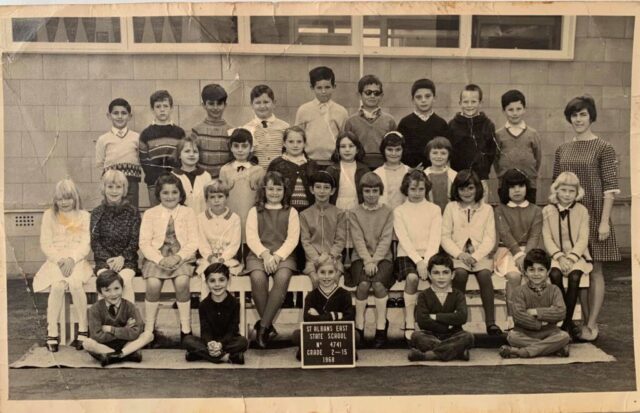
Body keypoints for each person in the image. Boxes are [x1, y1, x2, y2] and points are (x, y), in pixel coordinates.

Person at [553, 95, 621, 342]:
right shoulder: (562, 149)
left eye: (583, 114)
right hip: (570, 219)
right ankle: (580, 321)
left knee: (595, 271)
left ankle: (592, 323)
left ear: (591, 117)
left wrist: (604, 221)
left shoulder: (604, 147)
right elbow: (556, 187)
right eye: (574, 115)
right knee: (578, 270)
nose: (578, 119)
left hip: (595, 215)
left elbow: (610, 188)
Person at [34, 179, 93, 352]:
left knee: (75, 284)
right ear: (55, 200)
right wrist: (60, 260)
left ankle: (83, 330)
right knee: (58, 285)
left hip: (77, 261)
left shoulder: (84, 216)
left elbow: (85, 244)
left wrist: (72, 259)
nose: (64, 202)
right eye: (60, 199)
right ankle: (52, 331)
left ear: (75, 198)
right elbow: (46, 243)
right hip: (55, 262)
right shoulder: (49, 215)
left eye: (68, 198)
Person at [441, 169, 501, 335]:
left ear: (477, 188)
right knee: (460, 274)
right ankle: (457, 322)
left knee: (485, 275)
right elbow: (445, 236)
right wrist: (460, 254)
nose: (466, 193)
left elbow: (489, 238)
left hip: (480, 256)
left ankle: (491, 323)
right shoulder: (451, 208)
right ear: (456, 190)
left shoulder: (487, 209)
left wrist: (475, 256)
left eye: (470, 188)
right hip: (458, 256)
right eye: (462, 189)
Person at [139, 174, 198, 341]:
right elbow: (144, 243)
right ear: (158, 194)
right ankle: (149, 330)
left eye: (174, 192)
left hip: (182, 257)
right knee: (153, 284)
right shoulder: (150, 214)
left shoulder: (188, 212)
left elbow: (193, 242)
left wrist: (178, 257)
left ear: (181, 194)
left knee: (182, 282)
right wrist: (160, 259)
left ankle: (185, 330)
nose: (170, 196)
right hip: (157, 257)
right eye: (165, 192)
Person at [245, 171, 300, 349]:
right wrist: (265, 255)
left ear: (285, 191)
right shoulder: (255, 211)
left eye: (278, 189)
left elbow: (292, 239)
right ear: (264, 190)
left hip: (284, 255)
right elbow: (251, 237)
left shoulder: (291, 212)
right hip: (259, 254)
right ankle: (268, 326)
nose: (274, 193)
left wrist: (277, 256)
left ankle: (263, 327)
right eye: (270, 189)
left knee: (282, 278)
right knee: (257, 278)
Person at [542, 172, 592, 340]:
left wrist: (571, 258)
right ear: (556, 190)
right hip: (556, 256)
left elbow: (583, 238)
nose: (567, 194)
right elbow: (547, 237)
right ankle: (565, 321)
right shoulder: (548, 210)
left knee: (575, 276)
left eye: (571, 191)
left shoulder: (582, 211)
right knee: (555, 274)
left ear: (577, 192)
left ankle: (566, 324)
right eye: (563, 190)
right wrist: (560, 257)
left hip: (576, 256)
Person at [394, 170, 442, 340]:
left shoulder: (434, 209)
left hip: (430, 254)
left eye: (421, 189)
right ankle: (409, 320)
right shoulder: (399, 211)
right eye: (413, 189)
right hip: (407, 254)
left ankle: (437, 323)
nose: (417, 193)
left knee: (439, 278)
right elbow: (404, 239)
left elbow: (435, 237)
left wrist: (426, 260)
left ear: (426, 189)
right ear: (406, 189)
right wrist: (419, 262)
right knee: (412, 278)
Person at [348, 172, 394, 348]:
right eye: (367, 191)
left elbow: (386, 239)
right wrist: (367, 261)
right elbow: (358, 239)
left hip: (383, 258)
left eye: (375, 190)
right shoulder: (354, 212)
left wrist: (375, 261)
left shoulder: (388, 211)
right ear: (362, 192)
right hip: (360, 258)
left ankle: (381, 327)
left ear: (380, 191)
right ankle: (359, 326)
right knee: (363, 285)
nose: (371, 194)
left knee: (379, 284)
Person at [499, 249, 571, 359]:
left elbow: (561, 312)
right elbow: (519, 316)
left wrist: (536, 312)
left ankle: (521, 352)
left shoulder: (554, 290)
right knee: (512, 337)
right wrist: (542, 323)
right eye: (532, 270)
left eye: (541, 270)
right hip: (525, 333)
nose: (536, 274)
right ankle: (554, 348)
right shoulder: (519, 291)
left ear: (548, 272)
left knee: (564, 336)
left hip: (550, 332)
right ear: (525, 272)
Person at [494, 169, 543, 327]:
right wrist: (519, 255)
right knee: (514, 276)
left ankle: (536, 318)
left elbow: (535, 236)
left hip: (530, 251)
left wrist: (526, 256)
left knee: (536, 275)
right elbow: (505, 234)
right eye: (512, 187)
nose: (517, 190)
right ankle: (513, 319)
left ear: (527, 188)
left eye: (521, 186)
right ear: (505, 190)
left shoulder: (536, 210)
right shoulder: (500, 210)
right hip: (507, 251)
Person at [408, 254, 474, 362]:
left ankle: (429, 355)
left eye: (445, 272)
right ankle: (457, 352)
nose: (441, 277)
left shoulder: (458, 295)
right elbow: (422, 321)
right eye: (436, 273)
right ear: (429, 275)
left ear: (452, 275)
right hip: (431, 335)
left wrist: (435, 316)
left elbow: (462, 317)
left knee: (468, 336)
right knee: (416, 336)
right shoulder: (423, 295)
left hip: (454, 334)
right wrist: (448, 325)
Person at [291, 255, 356, 360]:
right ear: (316, 273)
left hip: (337, 334)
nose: (326, 276)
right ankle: (320, 349)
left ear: (336, 273)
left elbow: (349, 318)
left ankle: (325, 349)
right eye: (322, 272)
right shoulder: (311, 296)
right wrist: (335, 315)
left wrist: (319, 316)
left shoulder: (345, 294)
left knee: (355, 335)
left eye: (330, 272)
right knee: (296, 335)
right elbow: (307, 319)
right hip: (317, 335)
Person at [83, 270, 153, 367]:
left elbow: (136, 332)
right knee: (87, 343)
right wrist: (125, 329)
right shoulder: (95, 309)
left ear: (122, 288)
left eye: (116, 288)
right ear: (100, 292)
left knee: (148, 335)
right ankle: (125, 355)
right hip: (104, 346)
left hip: (126, 344)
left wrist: (112, 330)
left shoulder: (130, 306)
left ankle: (113, 356)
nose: (113, 294)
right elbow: (96, 336)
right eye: (107, 290)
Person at [90, 170, 140, 304]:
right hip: (104, 262)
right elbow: (95, 242)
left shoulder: (133, 212)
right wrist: (109, 260)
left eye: (118, 187)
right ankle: (105, 315)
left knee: (125, 280)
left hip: (127, 261)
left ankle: (127, 315)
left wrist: (122, 258)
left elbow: (135, 240)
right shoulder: (97, 213)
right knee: (105, 280)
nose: (114, 191)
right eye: (110, 186)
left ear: (124, 189)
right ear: (104, 188)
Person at [183, 263, 249, 364]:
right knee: (187, 340)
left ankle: (199, 354)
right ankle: (226, 357)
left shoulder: (234, 303)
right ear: (206, 283)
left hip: (228, 341)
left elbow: (232, 330)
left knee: (243, 342)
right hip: (209, 342)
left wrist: (221, 344)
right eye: (212, 281)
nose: (217, 284)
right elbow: (205, 330)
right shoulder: (203, 305)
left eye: (221, 280)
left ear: (228, 280)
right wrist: (210, 343)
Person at [218, 128, 265, 251]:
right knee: (232, 244)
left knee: (250, 243)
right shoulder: (225, 170)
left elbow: (262, 197)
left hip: (250, 216)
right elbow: (221, 196)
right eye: (236, 146)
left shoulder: (258, 170)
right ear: (231, 147)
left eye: (244, 146)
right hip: (231, 215)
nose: (240, 150)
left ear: (251, 148)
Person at [448, 84, 496, 201]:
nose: (469, 105)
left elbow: (491, 152)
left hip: (480, 179)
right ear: (460, 103)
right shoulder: (452, 125)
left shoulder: (487, 124)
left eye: (473, 101)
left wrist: (483, 169)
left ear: (480, 103)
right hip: (458, 178)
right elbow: (449, 152)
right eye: (466, 102)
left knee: (481, 209)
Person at [196, 179, 242, 299]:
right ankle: (207, 304)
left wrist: (222, 259)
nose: (216, 200)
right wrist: (210, 258)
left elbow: (234, 244)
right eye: (212, 197)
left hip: (228, 259)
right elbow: (202, 242)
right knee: (207, 274)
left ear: (226, 197)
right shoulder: (201, 218)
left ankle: (227, 305)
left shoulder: (234, 218)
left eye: (220, 196)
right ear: (207, 199)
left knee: (226, 275)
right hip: (208, 259)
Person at [299, 171, 347, 288]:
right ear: (312, 189)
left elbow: (340, 240)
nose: (322, 191)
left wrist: (331, 256)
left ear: (332, 191)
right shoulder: (305, 214)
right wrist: (317, 258)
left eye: (326, 187)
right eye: (318, 187)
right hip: (313, 260)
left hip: (334, 258)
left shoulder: (339, 213)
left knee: (334, 278)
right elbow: (305, 241)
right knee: (315, 279)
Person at [294, 66, 349, 167]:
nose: (323, 91)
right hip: (308, 162)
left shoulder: (341, 111)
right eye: (319, 88)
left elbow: (344, 138)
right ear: (312, 87)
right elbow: (297, 136)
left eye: (327, 87)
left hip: (334, 163)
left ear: (334, 86)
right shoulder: (303, 110)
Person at [494, 89, 542, 204]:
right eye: (510, 110)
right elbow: (496, 160)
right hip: (506, 185)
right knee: (507, 212)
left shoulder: (533, 134)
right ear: (503, 111)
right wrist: (503, 176)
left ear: (524, 109)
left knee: (528, 212)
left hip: (529, 184)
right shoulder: (498, 135)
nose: (515, 113)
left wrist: (530, 175)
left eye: (518, 109)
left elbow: (538, 158)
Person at [139, 90, 186, 206]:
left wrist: (174, 178)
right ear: (152, 109)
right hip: (154, 184)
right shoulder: (146, 134)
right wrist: (156, 179)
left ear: (171, 108)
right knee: (156, 214)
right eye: (158, 106)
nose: (162, 109)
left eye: (165, 106)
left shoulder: (179, 133)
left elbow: (182, 158)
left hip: (175, 183)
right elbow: (144, 161)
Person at [343, 74, 396, 170]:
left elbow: (395, 147)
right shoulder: (351, 121)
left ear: (381, 96)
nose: (372, 96)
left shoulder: (389, 121)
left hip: (384, 167)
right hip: (358, 167)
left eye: (376, 93)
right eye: (368, 92)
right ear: (360, 95)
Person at [95, 98, 141, 206]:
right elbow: (100, 164)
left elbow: (140, 159)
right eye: (116, 113)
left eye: (124, 113)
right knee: (111, 211)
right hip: (111, 184)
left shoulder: (137, 137)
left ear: (130, 116)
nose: (120, 116)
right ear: (109, 116)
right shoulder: (103, 139)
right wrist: (107, 181)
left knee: (131, 210)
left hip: (131, 183)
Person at [397, 78, 450, 169]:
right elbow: (400, 150)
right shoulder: (405, 123)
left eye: (427, 96)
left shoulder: (441, 124)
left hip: (436, 170)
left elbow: (446, 151)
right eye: (419, 97)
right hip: (410, 172)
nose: (423, 100)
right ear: (412, 99)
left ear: (434, 98)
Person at [267, 126, 318, 212]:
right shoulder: (276, 164)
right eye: (291, 142)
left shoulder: (311, 164)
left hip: (308, 211)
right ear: (284, 143)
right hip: (283, 211)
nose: (295, 145)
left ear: (304, 144)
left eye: (299, 142)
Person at [242, 84, 289, 170]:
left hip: (279, 174)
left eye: (266, 102)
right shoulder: (246, 129)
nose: (262, 106)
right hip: (256, 174)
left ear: (274, 103)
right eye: (258, 102)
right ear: (251, 104)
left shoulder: (285, 127)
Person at [191, 83, 233, 177]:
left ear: (225, 105)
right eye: (211, 104)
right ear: (204, 105)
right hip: (201, 180)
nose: (215, 108)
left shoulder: (231, 131)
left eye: (219, 104)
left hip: (223, 181)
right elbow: (192, 160)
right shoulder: (197, 131)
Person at [325, 131, 370, 210]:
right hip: (336, 209)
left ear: (357, 149)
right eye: (343, 146)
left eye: (351, 146)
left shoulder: (364, 170)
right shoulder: (332, 170)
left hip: (358, 209)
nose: (347, 150)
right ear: (338, 150)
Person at [171, 134, 212, 216]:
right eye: (187, 151)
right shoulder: (172, 176)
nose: (191, 154)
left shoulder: (206, 176)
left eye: (195, 151)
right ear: (179, 155)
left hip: (202, 220)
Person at [373, 131, 409, 210]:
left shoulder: (409, 171)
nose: (393, 153)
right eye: (390, 149)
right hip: (384, 214)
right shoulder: (376, 174)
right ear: (383, 150)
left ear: (403, 150)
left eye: (398, 149)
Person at [424, 136, 457, 213]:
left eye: (443, 153)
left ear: (449, 155)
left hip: (450, 215)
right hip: (428, 215)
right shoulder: (424, 175)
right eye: (435, 153)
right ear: (428, 154)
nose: (439, 156)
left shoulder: (453, 175)